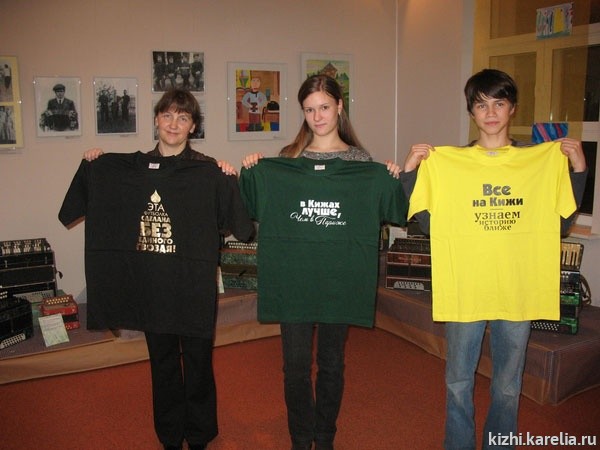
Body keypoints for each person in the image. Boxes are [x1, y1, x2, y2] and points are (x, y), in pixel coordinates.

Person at [401, 68, 587, 450]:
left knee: (507, 385)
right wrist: (409, 175)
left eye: (499, 103)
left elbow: (561, 223)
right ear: (471, 111)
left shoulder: (536, 162)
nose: (490, 112)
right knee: (457, 381)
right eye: (481, 104)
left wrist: (579, 170)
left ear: (512, 108)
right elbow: (429, 225)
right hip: (466, 286)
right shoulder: (450, 163)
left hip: (516, 288)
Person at [59, 88, 255, 450]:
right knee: (162, 361)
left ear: (193, 126)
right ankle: (169, 434)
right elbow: (77, 206)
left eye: (183, 117)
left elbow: (238, 227)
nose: (174, 124)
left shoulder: (208, 170)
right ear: (156, 120)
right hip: (151, 285)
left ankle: (199, 434)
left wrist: (228, 178)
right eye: (167, 115)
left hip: (192, 285)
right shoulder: (124, 171)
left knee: (198, 360)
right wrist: (93, 165)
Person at [239, 74, 406, 450]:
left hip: (339, 278)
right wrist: (252, 169)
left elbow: (387, 208)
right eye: (309, 110)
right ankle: (301, 437)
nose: (317, 117)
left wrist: (392, 178)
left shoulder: (361, 162)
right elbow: (256, 206)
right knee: (295, 365)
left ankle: (325, 435)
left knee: (331, 362)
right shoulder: (288, 160)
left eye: (324, 107)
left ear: (340, 107)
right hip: (293, 278)